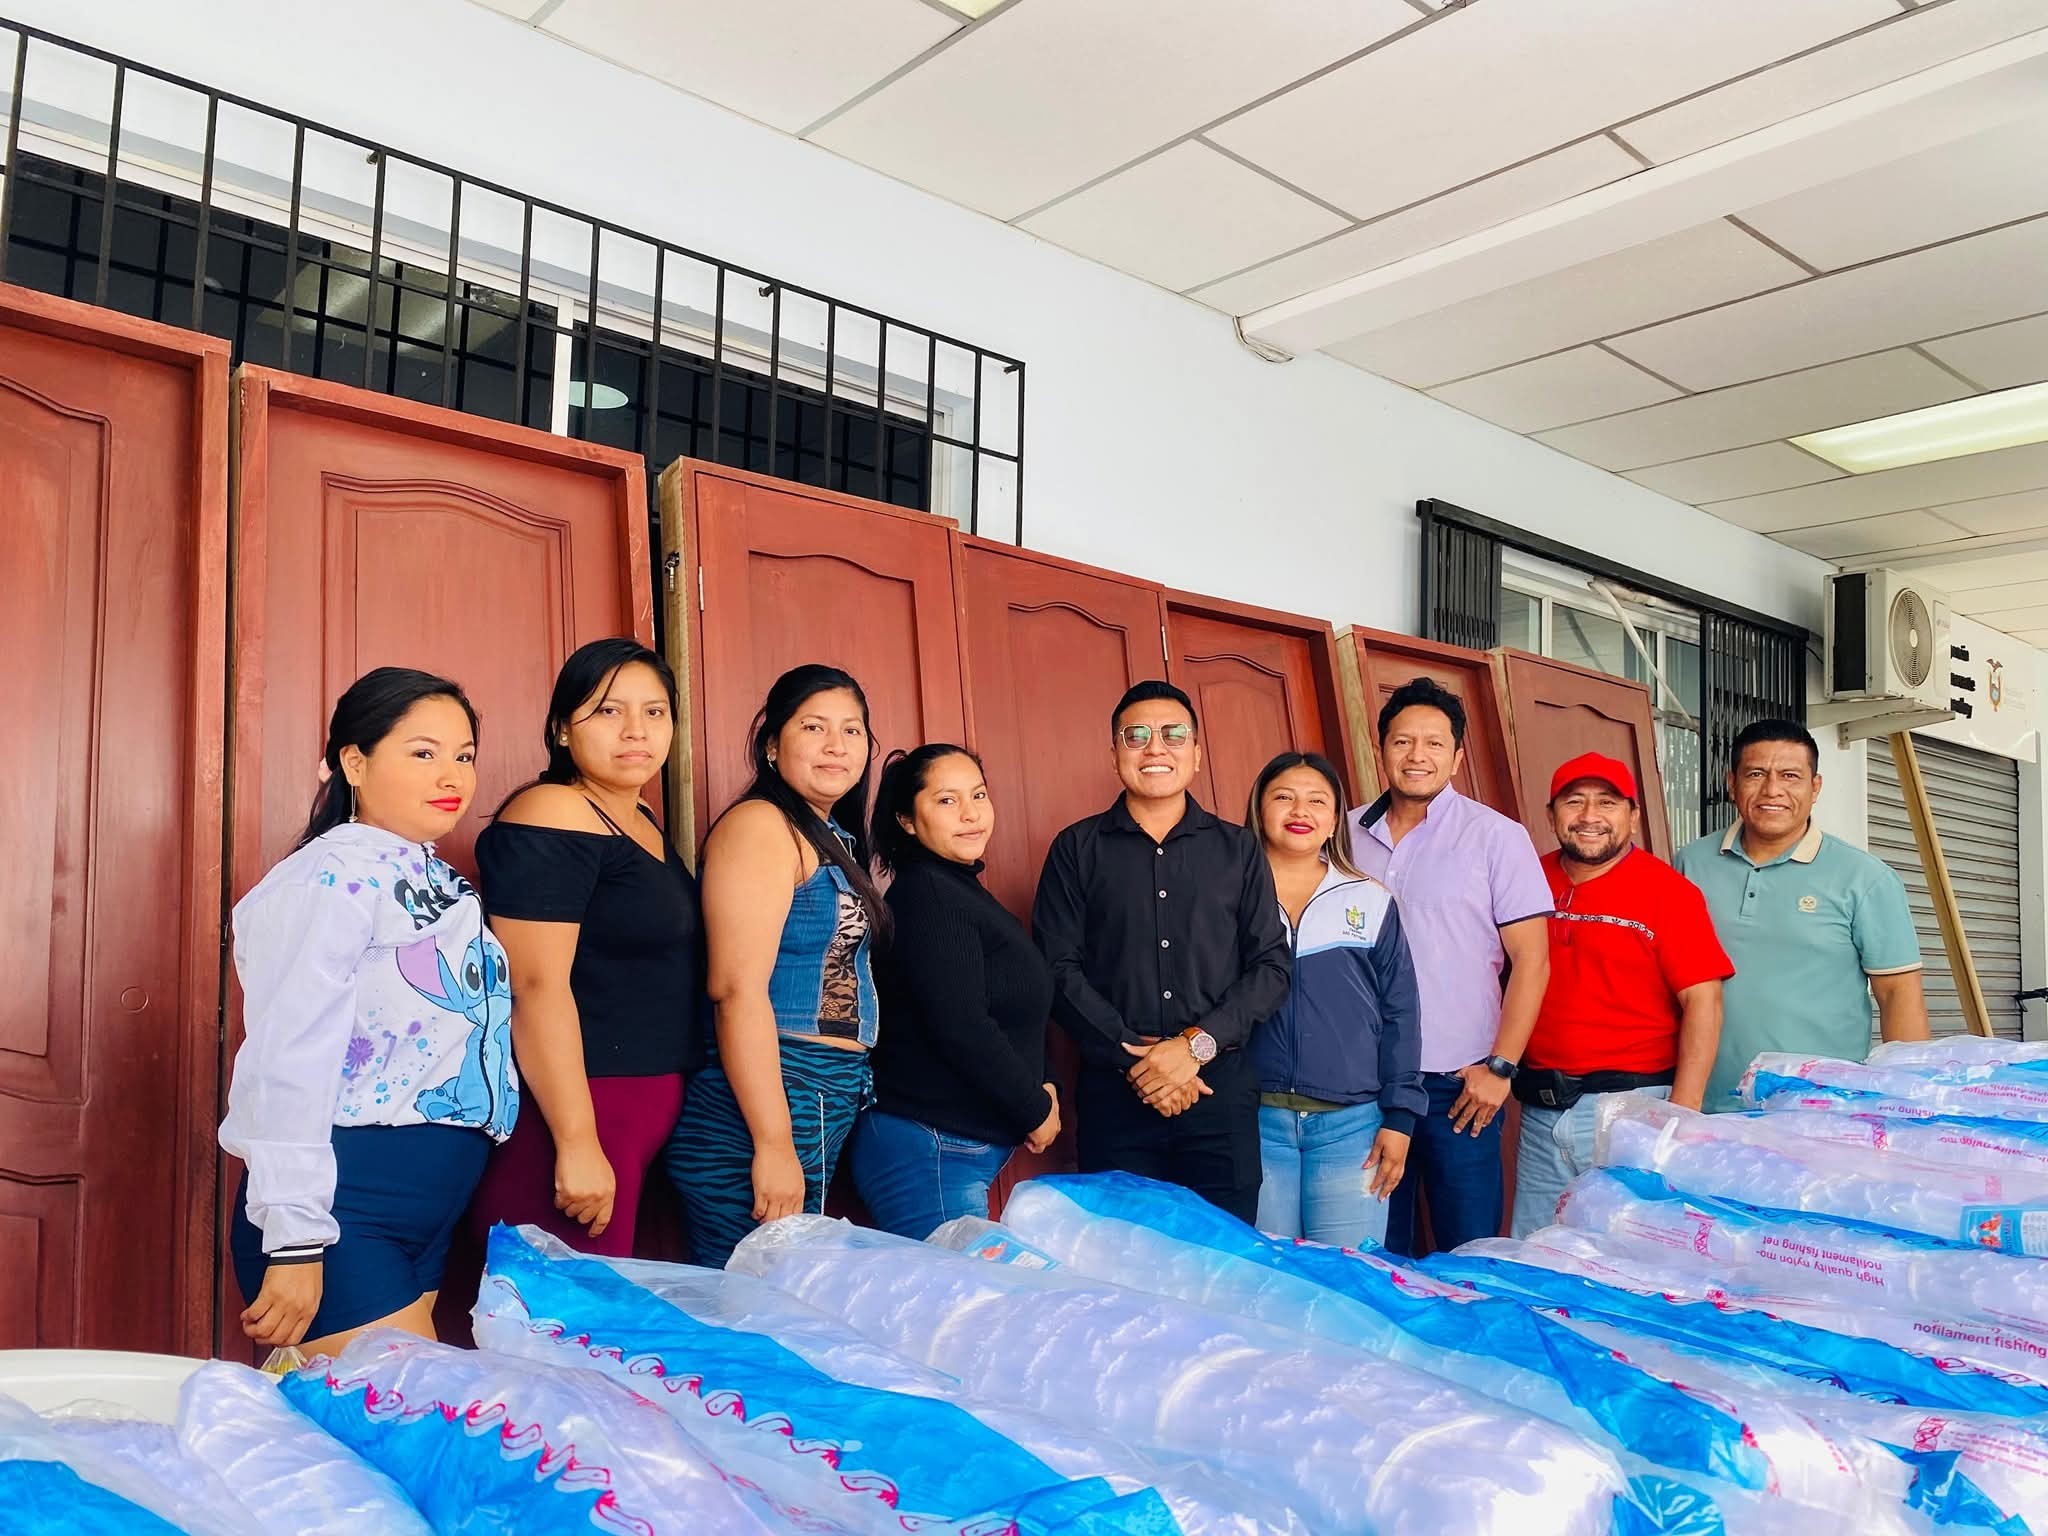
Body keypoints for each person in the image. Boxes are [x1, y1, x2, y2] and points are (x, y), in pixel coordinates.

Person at [221, 667, 518, 1356]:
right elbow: (288, 1059)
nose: (451, 775)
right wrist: (295, 1241)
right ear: (355, 762)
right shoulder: (326, 879)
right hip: (346, 1210)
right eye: (423, 752)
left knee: (364, 1422)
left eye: (464, 755)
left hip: (428, 1212)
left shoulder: (435, 878)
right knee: (414, 1415)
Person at [469, 639, 702, 1258]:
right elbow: (534, 986)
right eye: (608, 711)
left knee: (603, 1307)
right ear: (562, 730)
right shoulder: (552, 812)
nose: (636, 730)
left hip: (639, 1108)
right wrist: (576, 1140)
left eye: (655, 712)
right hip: (577, 1108)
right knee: (555, 1308)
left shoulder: (638, 816)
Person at [1032, 680, 1290, 1223]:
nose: (1156, 748)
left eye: (1174, 735)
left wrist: (1193, 1048)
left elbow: (1271, 967)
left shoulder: (1239, 848)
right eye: (1137, 735)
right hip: (1115, 1098)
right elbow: (1056, 968)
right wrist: (1140, 1059)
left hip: (1218, 1096)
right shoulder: (1076, 848)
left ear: (1196, 753)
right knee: (1123, 1259)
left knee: (1224, 1260)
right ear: (1114, 754)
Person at [665, 664, 887, 1268]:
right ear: (771, 744)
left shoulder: (827, 834)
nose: (837, 745)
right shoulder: (761, 825)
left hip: (816, 1090)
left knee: (777, 1288)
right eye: (814, 727)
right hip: (774, 1091)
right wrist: (773, 1141)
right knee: (751, 1292)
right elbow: (735, 990)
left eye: (852, 730)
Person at [1347, 677, 1551, 1255]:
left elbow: (1532, 961)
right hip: (1362, 1085)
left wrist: (1500, 1069)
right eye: (1403, 741)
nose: (1418, 756)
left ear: (1458, 756)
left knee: (1469, 1255)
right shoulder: (1343, 833)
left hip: (1458, 1086)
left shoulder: (1496, 837)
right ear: (1381, 749)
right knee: (1375, 1253)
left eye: (1434, 743)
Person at [1511, 752, 1732, 1237]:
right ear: (1551, 814)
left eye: (1607, 803)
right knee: (1536, 1250)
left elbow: (1704, 1002)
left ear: (1633, 816)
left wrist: (1680, 1115)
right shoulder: (1525, 879)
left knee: (1627, 1252)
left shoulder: (1669, 893)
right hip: (1540, 1110)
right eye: (1574, 801)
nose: (1589, 816)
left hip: (1632, 1110)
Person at [849, 745, 1059, 1239]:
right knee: (955, 1290)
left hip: (950, 1147)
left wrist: (1047, 1084)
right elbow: (961, 1023)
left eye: (978, 795)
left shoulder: (959, 891)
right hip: (931, 1147)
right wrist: (1033, 1107)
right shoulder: (930, 894)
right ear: (906, 820)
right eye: (947, 800)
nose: (971, 813)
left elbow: (1014, 1008)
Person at [1674, 718, 1928, 1112]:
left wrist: (1907, 1104)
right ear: (1732, 784)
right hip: (1702, 1108)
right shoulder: (1690, 864)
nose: (1772, 790)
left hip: (1820, 1114)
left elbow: (1898, 994)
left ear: (1815, 787)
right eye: (1756, 774)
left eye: (1790, 776)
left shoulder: (1865, 878)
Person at [1248, 752, 1423, 1247]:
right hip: (1253, 1123)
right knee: (1268, 1277)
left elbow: (1401, 1014)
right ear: (1260, 809)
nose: (1299, 810)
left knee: (1348, 1276)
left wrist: (1400, 1119)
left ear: (1333, 820)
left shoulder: (1369, 899)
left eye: (1317, 801)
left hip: (1353, 1129)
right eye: (1284, 797)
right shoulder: (1228, 898)